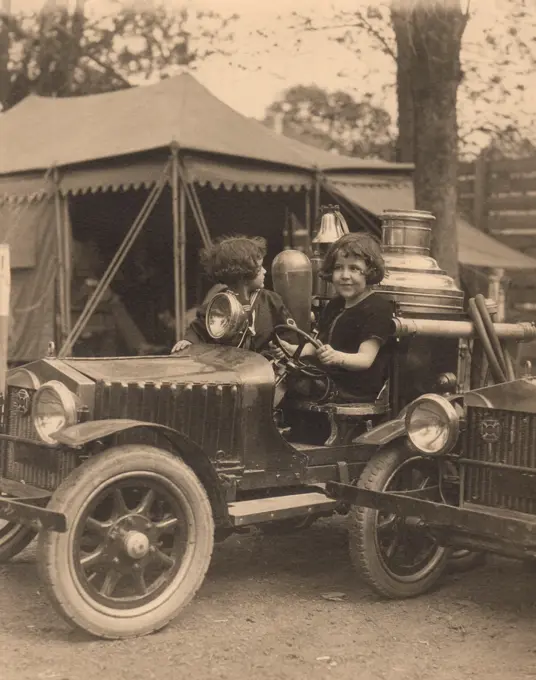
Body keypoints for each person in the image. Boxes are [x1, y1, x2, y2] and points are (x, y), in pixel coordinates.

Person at [276, 232, 393, 403]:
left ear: (371, 271)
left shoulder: (378, 308)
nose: (345, 275)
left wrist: (337, 357)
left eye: (354, 268)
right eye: (339, 267)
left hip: (353, 389)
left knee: (293, 383)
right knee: (280, 373)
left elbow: (365, 359)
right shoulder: (335, 304)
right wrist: (292, 350)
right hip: (327, 379)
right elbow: (316, 345)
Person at [171, 235, 294, 353]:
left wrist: (283, 347)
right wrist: (187, 340)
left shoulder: (271, 300)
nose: (265, 271)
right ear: (244, 274)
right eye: (259, 267)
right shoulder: (218, 304)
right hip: (229, 366)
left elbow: (288, 331)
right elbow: (198, 329)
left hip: (266, 367)